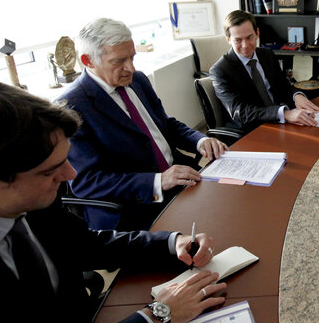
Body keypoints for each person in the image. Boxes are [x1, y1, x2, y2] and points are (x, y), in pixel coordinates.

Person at [0, 80, 227, 323]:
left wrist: (172, 242)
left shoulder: (31, 201)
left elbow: (87, 244)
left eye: (66, 160)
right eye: (49, 171)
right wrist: (157, 315)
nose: (70, 174)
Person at [59, 18, 227, 230]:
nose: (130, 67)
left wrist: (200, 140)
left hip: (180, 178)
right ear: (88, 60)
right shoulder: (72, 106)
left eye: (132, 57)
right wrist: (157, 181)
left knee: (232, 209)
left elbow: (164, 124)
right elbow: (87, 182)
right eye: (119, 61)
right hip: (135, 205)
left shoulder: (137, 80)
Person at [210, 10, 319, 132]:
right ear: (228, 40)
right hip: (250, 130)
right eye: (238, 40)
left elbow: (283, 86)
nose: (245, 45)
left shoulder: (266, 54)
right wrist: (284, 114)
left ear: (257, 33)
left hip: (279, 122)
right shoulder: (220, 70)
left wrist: (297, 96)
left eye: (249, 37)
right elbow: (240, 112)